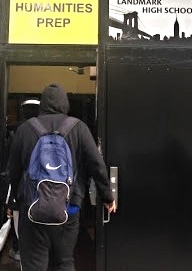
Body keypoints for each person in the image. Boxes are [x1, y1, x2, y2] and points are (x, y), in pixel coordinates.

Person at [6, 83, 116, 271]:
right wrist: (107, 196)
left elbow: (13, 171)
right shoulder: (79, 128)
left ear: (42, 105)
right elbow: (96, 164)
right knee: (64, 261)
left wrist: (12, 202)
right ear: (65, 104)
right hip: (68, 208)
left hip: (32, 207)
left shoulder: (25, 129)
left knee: (34, 264)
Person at [7, 97, 41, 263]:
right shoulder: (46, 131)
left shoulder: (18, 131)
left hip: (22, 187)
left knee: (20, 225)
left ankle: (19, 250)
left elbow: (13, 167)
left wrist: (11, 200)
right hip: (44, 189)